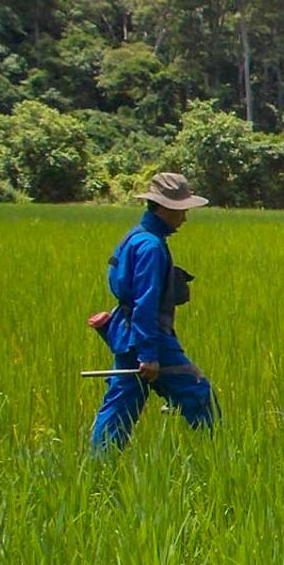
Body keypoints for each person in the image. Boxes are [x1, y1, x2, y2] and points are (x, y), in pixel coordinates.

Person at [89, 173, 217, 452]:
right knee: (199, 394)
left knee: (121, 403)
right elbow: (144, 303)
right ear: (164, 208)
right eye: (181, 210)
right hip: (148, 338)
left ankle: (97, 467)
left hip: (127, 334)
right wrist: (148, 354)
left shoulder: (135, 237)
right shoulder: (150, 246)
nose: (184, 218)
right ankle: (217, 458)